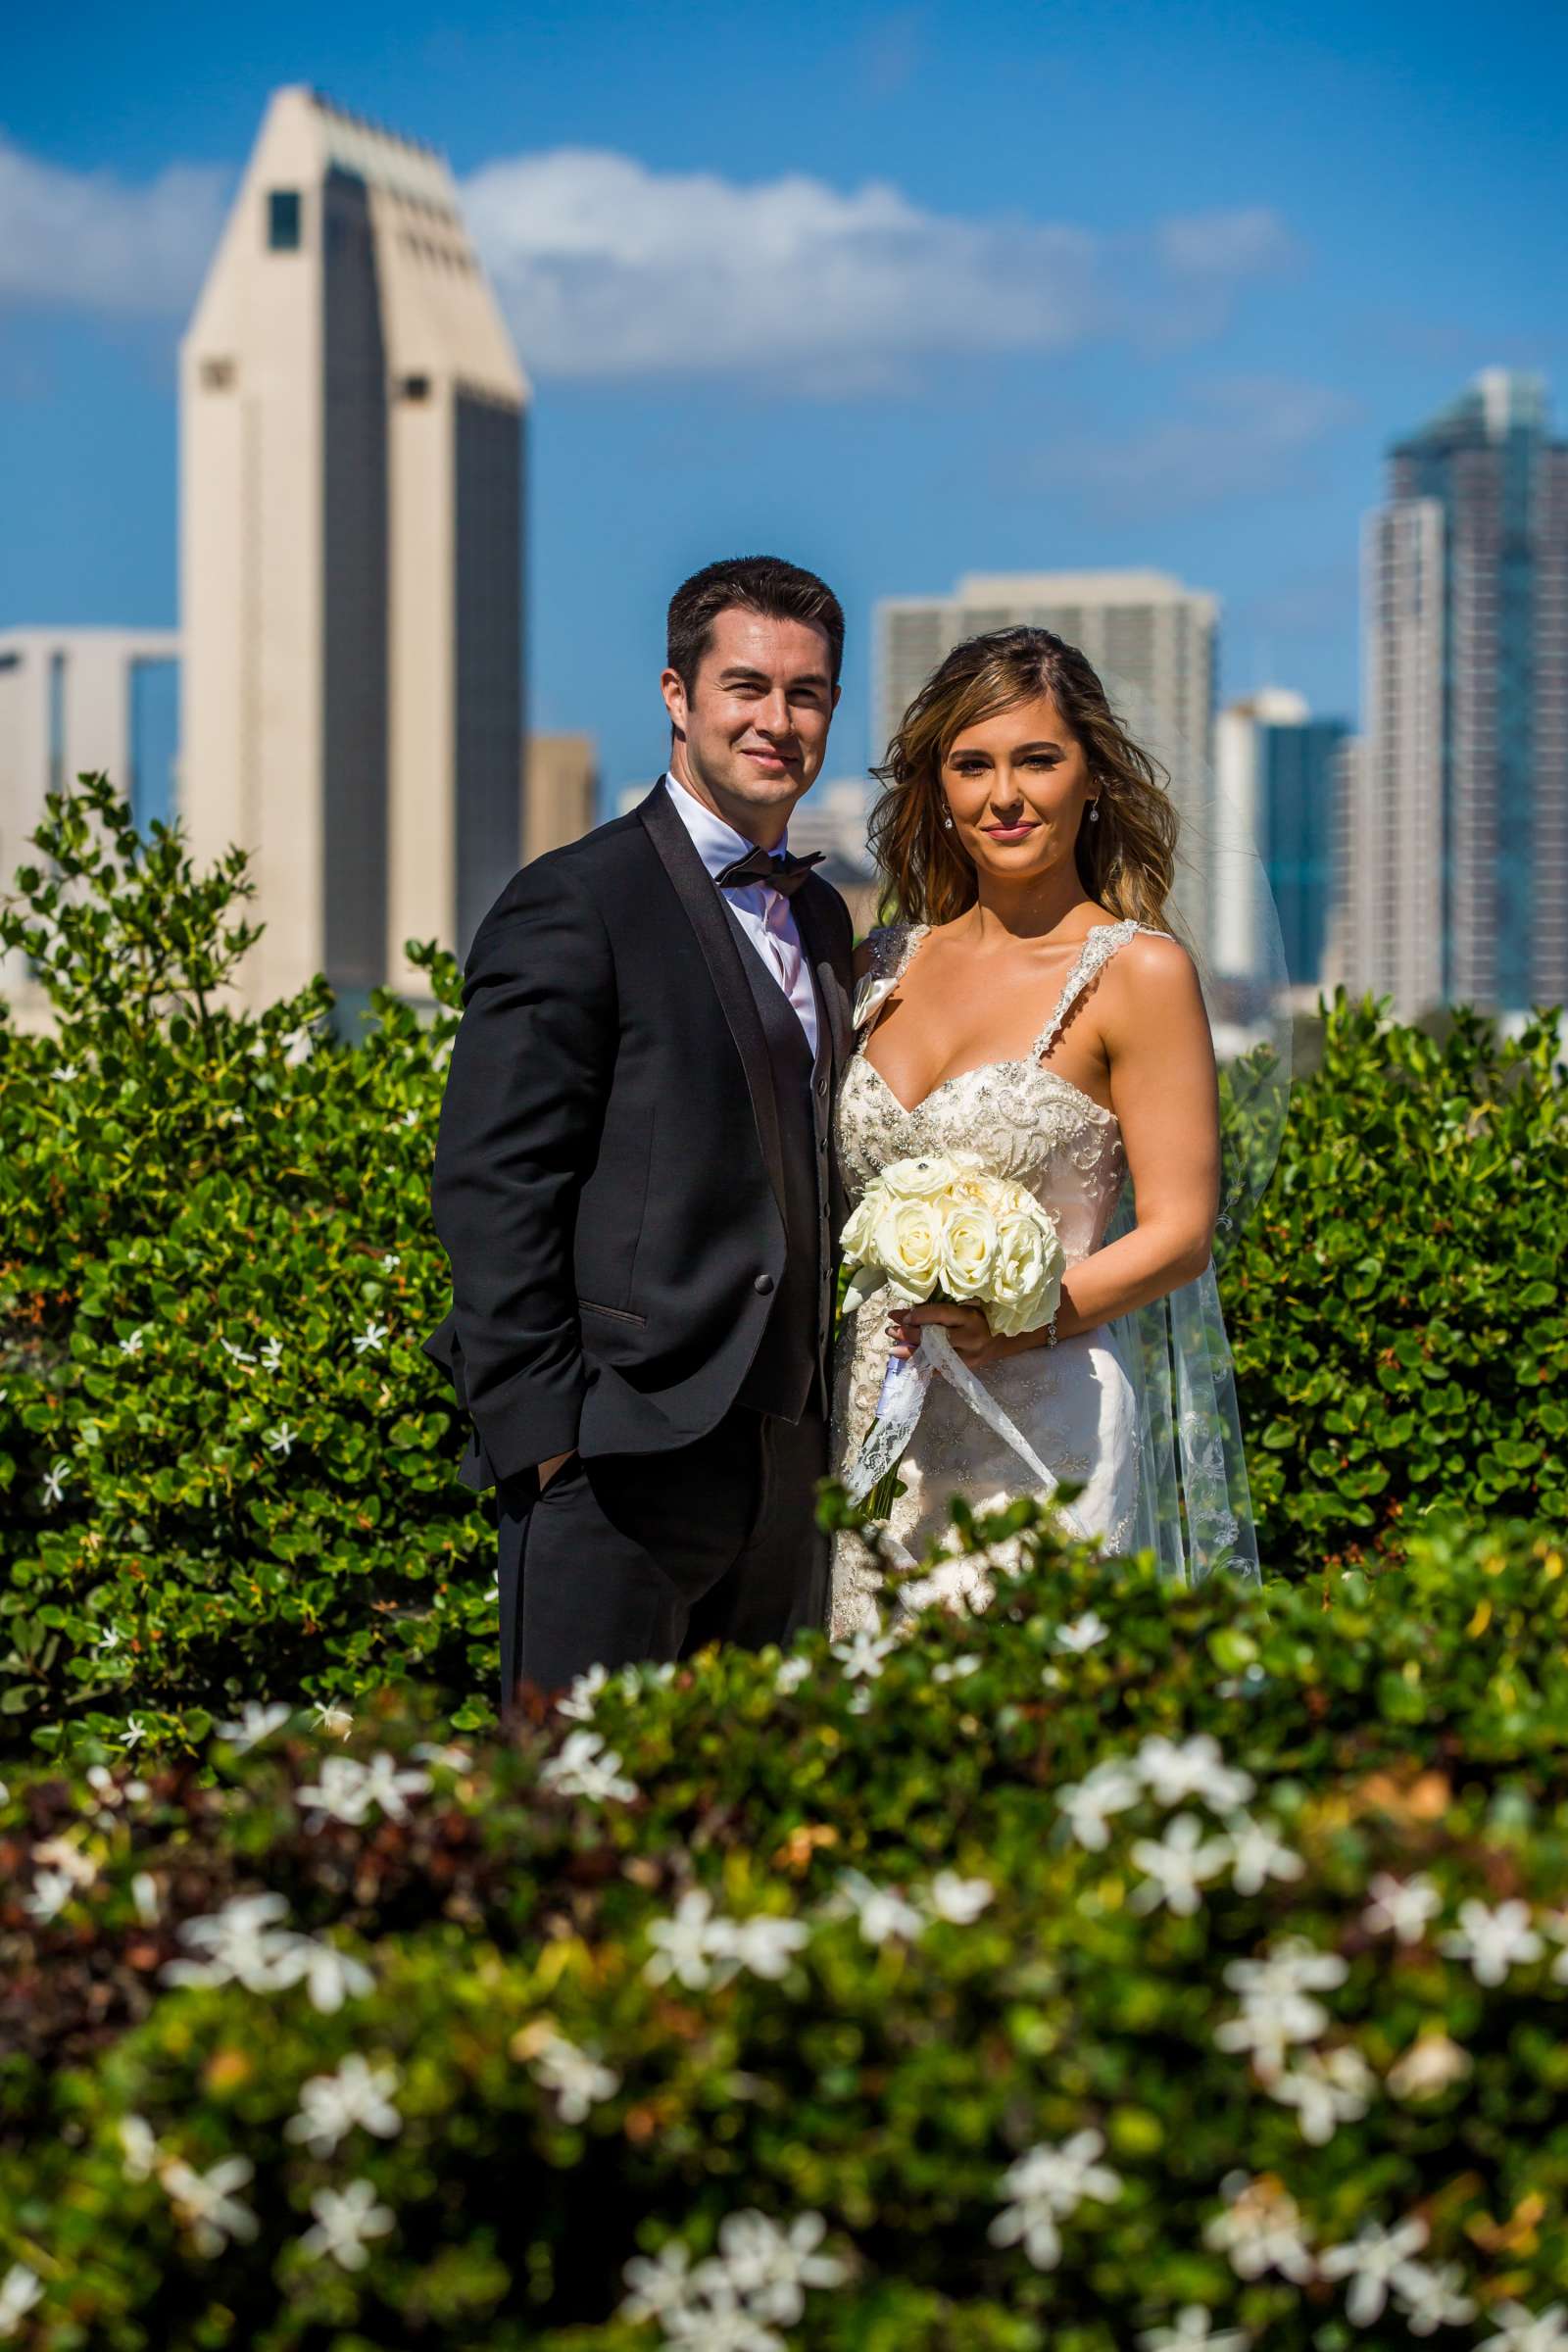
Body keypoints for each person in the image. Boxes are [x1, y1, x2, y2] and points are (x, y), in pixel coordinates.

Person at [426, 556, 856, 1713]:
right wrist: (546, 1444)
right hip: (611, 1462)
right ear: (677, 694)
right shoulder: (576, 898)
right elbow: (491, 1181)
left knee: (746, 1834)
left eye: (807, 693)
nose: (777, 720)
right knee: (576, 1832)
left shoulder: (819, 912)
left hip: (785, 1462)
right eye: (747, 687)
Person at [830, 625, 1258, 1636]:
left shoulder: (1137, 974)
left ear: (1092, 778)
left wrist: (1015, 1318)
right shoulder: (876, 964)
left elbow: (1179, 1235)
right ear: (936, 787)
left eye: (1037, 760)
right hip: (872, 1423)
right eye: (971, 765)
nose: (1003, 796)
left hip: (1042, 1431)